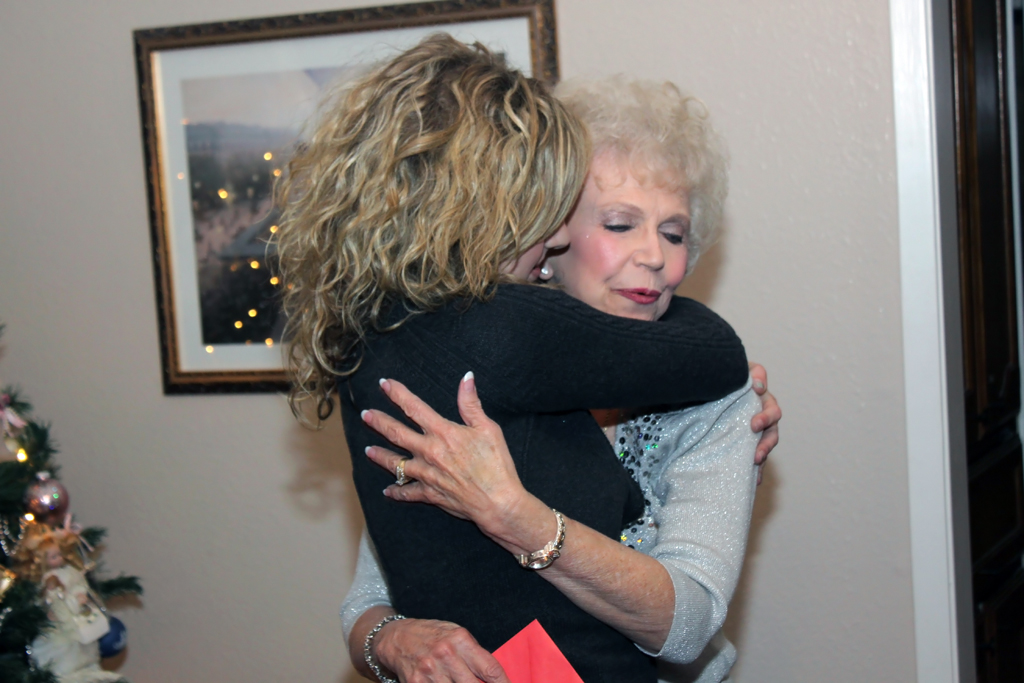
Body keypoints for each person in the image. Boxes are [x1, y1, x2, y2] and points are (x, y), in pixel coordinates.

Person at [275, 37, 753, 683]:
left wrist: (518, 519)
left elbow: (688, 625)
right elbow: (369, 602)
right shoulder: (495, 338)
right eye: (618, 223)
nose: (655, 256)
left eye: (674, 232)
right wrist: (394, 640)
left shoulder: (383, 329)